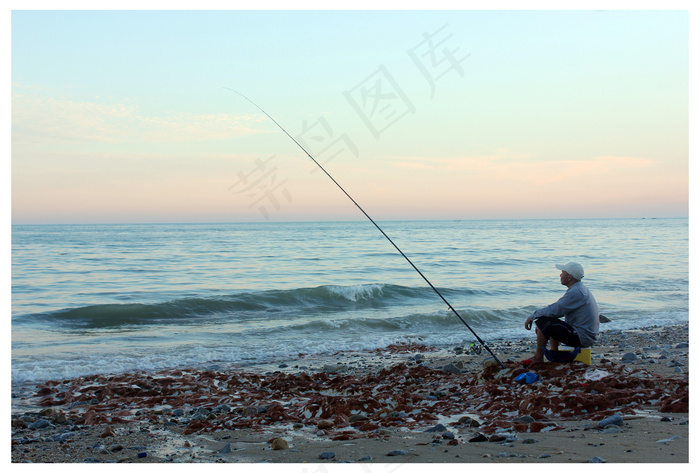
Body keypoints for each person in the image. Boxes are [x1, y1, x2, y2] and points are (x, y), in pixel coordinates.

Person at [524, 262, 599, 363]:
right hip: (585, 335)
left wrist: (532, 316)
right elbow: (556, 310)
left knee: (543, 322)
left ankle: (538, 357)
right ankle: (554, 353)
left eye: (562, 272)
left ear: (569, 277)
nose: (560, 275)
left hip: (582, 337)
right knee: (548, 321)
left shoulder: (576, 292)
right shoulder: (579, 289)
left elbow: (554, 310)